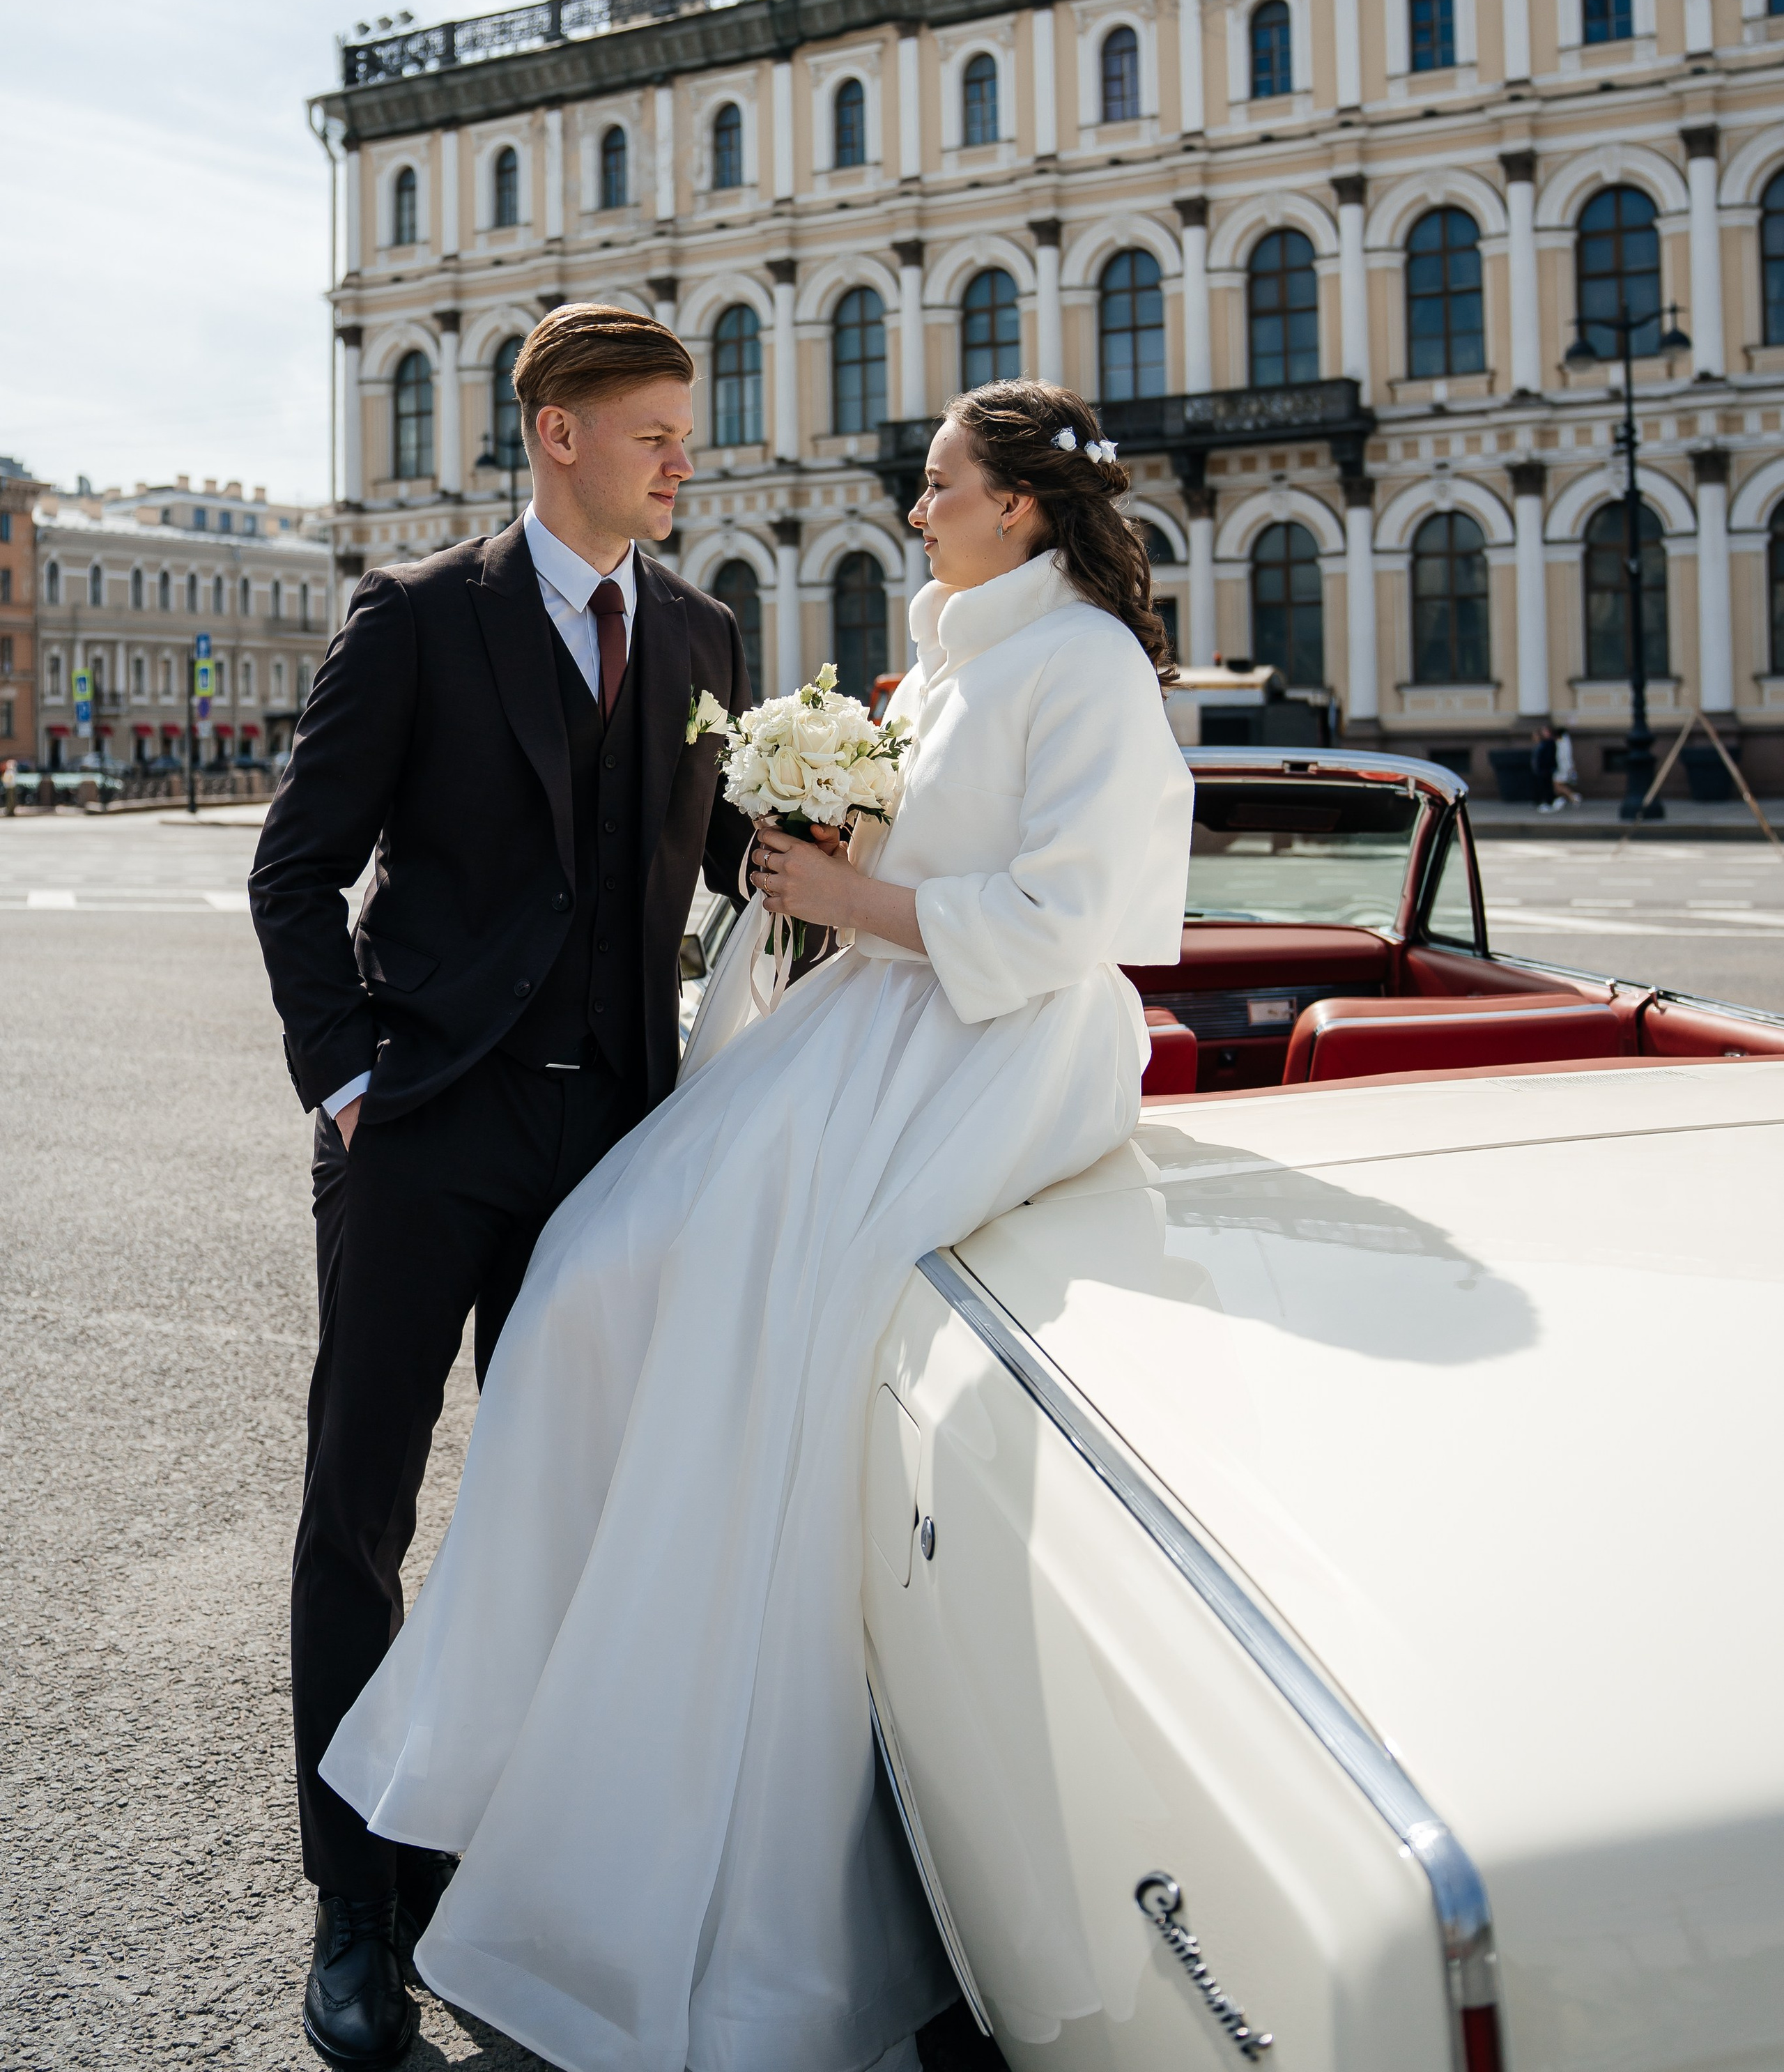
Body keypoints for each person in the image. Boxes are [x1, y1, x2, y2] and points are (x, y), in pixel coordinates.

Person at [317, 381, 1196, 2072]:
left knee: (738, 1320)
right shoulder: (954, 641)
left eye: (935, 479)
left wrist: (849, 890)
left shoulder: (1079, 659)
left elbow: (1085, 913)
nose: (911, 497)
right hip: (878, 1016)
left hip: (983, 1041)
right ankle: (524, 1748)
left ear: (1015, 506)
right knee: (596, 1273)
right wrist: (831, 843)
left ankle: (683, 1783)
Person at [248, 305, 757, 2069]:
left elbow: (760, 860)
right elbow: (297, 867)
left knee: (577, 1519)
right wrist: (351, 1074)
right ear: (556, 432)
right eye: (654, 432)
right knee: (358, 1517)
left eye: (685, 432)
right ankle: (354, 1905)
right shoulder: (417, 616)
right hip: (428, 1136)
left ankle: (507, 1858)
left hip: (611, 1144)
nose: (684, 459)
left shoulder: (701, 630)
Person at [1548, 726, 1582, 813]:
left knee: (1558, 786)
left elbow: (1563, 757)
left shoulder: (1561, 743)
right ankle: (1563, 800)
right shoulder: (1565, 742)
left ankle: (1573, 797)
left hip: (1562, 768)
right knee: (1557, 786)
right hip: (1564, 767)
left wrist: (1569, 768)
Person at [1530, 721, 1557, 811]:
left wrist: (1547, 768)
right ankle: (1543, 801)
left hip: (1547, 769)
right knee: (1543, 786)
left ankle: (1549, 802)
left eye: (1545, 731)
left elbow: (1549, 757)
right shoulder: (1542, 743)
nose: (1544, 733)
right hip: (1541, 769)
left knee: (1547, 786)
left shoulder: (1550, 743)